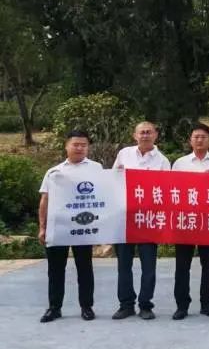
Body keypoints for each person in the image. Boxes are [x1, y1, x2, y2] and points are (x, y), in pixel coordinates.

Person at [38, 130, 103, 323]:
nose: (80, 148)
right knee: (55, 270)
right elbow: (45, 200)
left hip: (84, 227)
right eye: (76, 144)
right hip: (59, 228)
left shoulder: (96, 168)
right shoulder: (54, 172)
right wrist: (42, 227)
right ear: (66, 146)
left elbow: (104, 197)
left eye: (84, 145)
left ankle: (87, 307)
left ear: (88, 147)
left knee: (85, 268)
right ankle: (54, 308)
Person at [111, 121, 171, 320]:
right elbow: (112, 181)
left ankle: (145, 305)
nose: (145, 135)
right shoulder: (124, 154)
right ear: (134, 135)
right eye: (141, 132)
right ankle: (126, 305)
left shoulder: (162, 161)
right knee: (123, 265)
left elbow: (166, 190)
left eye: (148, 132)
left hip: (149, 219)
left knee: (148, 266)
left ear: (155, 135)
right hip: (124, 219)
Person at [171, 123, 209, 320]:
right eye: (196, 136)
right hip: (185, 220)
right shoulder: (180, 163)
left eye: (203, 137)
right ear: (190, 140)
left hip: (208, 220)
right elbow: (172, 189)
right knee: (182, 266)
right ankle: (182, 306)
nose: (199, 140)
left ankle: (207, 303)